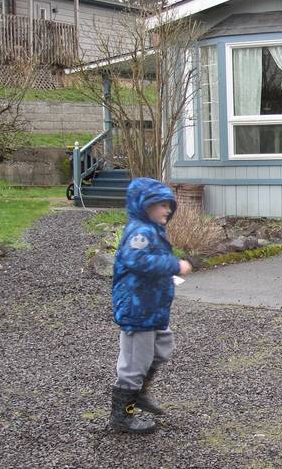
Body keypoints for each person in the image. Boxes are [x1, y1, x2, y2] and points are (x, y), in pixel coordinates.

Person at [110, 177, 192, 433]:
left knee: (162, 348)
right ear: (144, 205)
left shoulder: (153, 230)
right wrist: (175, 265)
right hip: (138, 310)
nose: (167, 209)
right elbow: (138, 261)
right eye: (160, 205)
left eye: (169, 205)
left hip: (152, 309)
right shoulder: (140, 232)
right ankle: (122, 417)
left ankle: (139, 394)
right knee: (135, 362)